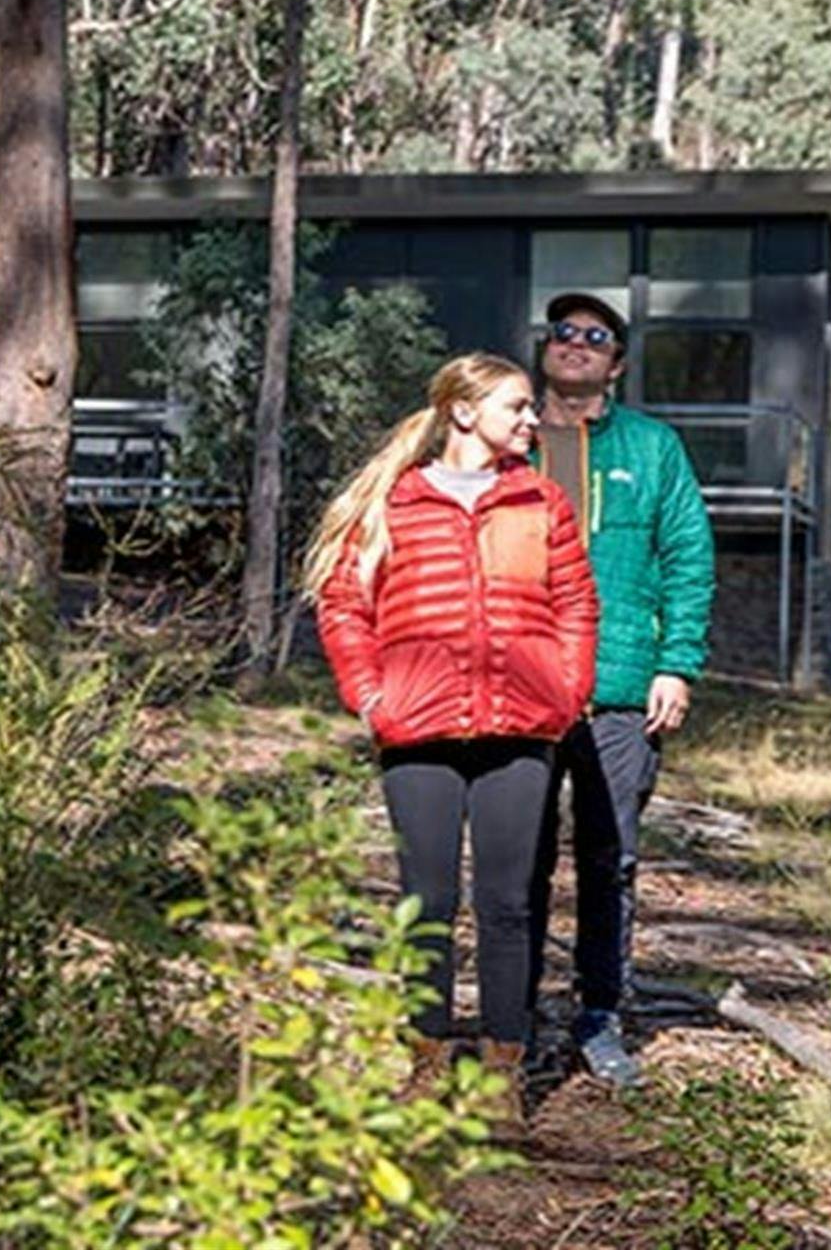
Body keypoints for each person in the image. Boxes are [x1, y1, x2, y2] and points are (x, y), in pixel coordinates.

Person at [305, 352, 599, 1112]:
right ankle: (426, 1062)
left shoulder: (540, 501)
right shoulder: (395, 503)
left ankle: (503, 1074)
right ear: (466, 413)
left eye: (532, 408)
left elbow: (576, 604)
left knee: (507, 904)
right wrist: (372, 698)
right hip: (418, 731)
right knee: (425, 901)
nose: (533, 420)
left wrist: (565, 694)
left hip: (521, 730)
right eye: (518, 407)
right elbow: (343, 606)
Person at [529, 292, 715, 1091]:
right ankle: (519, 1020)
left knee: (611, 861)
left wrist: (676, 663)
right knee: (519, 865)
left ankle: (600, 1018)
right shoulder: (512, 439)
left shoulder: (653, 447)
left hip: (619, 690)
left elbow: (689, 557)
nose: (574, 343)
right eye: (562, 332)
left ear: (617, 363)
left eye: (593, 337)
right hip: (521, 691)